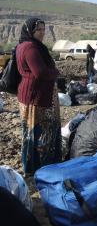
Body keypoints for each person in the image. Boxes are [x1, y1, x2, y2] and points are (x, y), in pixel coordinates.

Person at [15, 18, 62, 175]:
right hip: (37, 97)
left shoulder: (25, 45)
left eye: (43, 29)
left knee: (30, 134)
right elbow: (40, 73)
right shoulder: (30, 48)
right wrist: (56, 72)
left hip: (33, 95)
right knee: (39, 134)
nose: (42, 33)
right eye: (38, 30)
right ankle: (40, 168)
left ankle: (32, 166)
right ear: (30, 31)